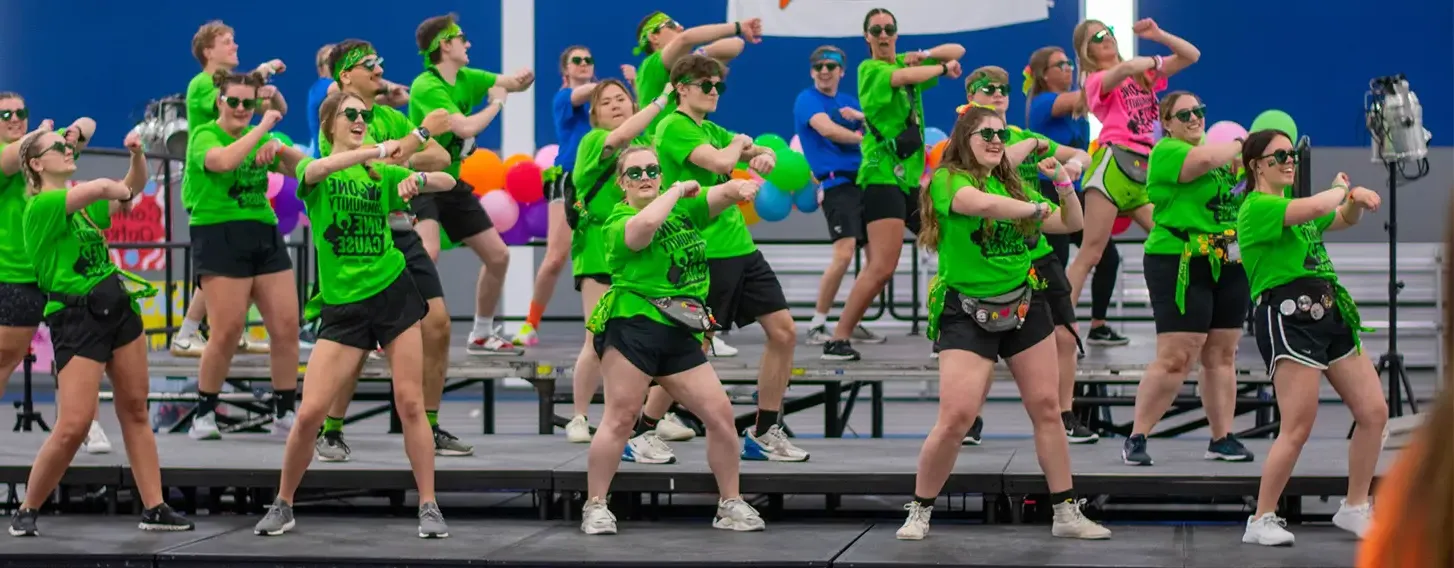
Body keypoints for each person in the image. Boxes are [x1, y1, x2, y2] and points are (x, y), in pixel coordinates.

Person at [897, 106, 1107, 541]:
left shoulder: (1015, 185)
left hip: (1024, 305)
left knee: (1048, 408)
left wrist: (1064, 184)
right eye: (985, 134)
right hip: (967, 309)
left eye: (1000, 134)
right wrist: (1030, 206)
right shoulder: (948, 179)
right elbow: (979, 204)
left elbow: (1073, 222)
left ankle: (1066, 512)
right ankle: (920, 509)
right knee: (956, 416)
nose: (995, 140)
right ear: (964, 141)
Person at [253, 91, 455, 538]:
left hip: (393, 292)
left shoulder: (377, 174)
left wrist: (415, 182)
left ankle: (429, 505)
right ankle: (283, 503)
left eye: (366, 114)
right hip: (344, 305)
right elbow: (318, 169)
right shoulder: (315, 170)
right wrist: (383, 150)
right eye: (352, 114)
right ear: (329, 127)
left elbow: (449, 182)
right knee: (309, 415)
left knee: (410, 403)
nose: (362, 119)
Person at [9, 128, 193, 536]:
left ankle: (155, 507)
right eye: (58, 146)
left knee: (135, 410)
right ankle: (28, 508)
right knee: (74, 425)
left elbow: (129, 187)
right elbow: (103, 188)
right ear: (37, 164)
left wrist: (137, 156)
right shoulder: (40, 206)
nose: (68, 148)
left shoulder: (84, 205)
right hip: (77, 319)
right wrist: (114, 186)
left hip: (118, 311)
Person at [578, 145, 764, 535]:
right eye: (635, 173)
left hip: (680, 330)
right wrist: (676, 190)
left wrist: (745, 181)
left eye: (652, 170)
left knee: (720, 415)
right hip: (634, 326)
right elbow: (641, 232)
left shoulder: (681, 211)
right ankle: (595, 505)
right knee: (621, 418)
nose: (645, 176)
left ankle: (730, 502)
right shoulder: (619, 219)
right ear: (622, 183)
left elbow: (718, 195)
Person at [309, 39, 469, 462]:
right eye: (369, 63)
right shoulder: (337, 115)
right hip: (357, 238)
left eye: (381, 61)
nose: (380, 68)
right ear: (345, 76)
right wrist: (407, 142)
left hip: (399, 231)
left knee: (439, 324)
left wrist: (401, 161)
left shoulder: (391, 116)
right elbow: (352, 161)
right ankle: (332, 428)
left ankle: (430, 426)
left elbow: (437, 158)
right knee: (357, 340)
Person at [655, 54, 808, 462]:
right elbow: (724, 160)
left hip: (741, 248)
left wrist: (763, 156)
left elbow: (759, 153)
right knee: (693, 346)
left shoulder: (709, 128)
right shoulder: (673, 127)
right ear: (681, 88)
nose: (713, 92)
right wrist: (741, 147)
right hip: (705, 252)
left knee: (784, 331)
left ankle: (763, 430)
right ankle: (642, 430)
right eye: (705, 85)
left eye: (717, 86)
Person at [1237, 130, 1385, 545]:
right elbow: (1323, 203)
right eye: (1279, 154)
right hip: (1289, 316)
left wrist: (1352, 201)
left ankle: (1355, 506)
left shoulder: (1293, 210)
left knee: (1373, 412)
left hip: (1329, 309)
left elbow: (1338, 217)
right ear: (1256, 165)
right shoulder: (1257, 207)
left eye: (1291, 154)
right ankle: (1261, 518)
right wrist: (1342, 188)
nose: (1289, 160)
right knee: (1298, 423)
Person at [954, 66, 1097, 446]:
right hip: (995, 253)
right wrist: (1033, 145)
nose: (998, 93)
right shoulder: (972, 140)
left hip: (1039, 249)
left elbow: (1082, 151)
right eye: (988, 88)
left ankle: (1066, 414)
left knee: (1066, 335)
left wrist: (1073, 167)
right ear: (971, 96)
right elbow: (992, 172)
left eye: (1003, 88)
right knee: (982, 345)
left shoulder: (1025, 136)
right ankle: (970, 420)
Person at [821, 7, 964, 362]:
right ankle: (837, 338)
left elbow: (957, 50)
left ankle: (949, 330)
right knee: (882, 266)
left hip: (911, 180)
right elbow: (903, 79)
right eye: (876, 30)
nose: (884, 35)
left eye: (889, 29)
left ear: (896, 33)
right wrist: (941, 69)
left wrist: (929, 56)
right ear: (867, 37)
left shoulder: (907, 62)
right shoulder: (871, 70)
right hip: (882, 177)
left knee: (952, 243)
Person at [1122, 92, 1254, 466]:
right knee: (1178, 354)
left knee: (1223, 352)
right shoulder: (1168, 151)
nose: (1195, 118)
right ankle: (1137, 435)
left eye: (1199, 111)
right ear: (1168, 123)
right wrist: (1243, 144)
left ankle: (1222, 436)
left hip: (1228, 256)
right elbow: (1207, 158)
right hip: (1177, 257)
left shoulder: (1222, 159)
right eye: (1185, 114)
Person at [561, 80, 694, 449]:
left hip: (645, 251)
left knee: (653, 334)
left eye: (621, 99)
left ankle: (652, 417)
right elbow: (618, 137)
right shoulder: (593, 142)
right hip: (600, 250)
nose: (616, 105)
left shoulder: (647, 146)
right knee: (597, 335)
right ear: (595, 113)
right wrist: (663, 98)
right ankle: (580, 416)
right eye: (606, 102)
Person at [183, 70, 309, 441]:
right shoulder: (204, 134)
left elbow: (299, 168)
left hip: (263, 232)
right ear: (220, 102)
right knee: (227, 329)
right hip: (219, 232)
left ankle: (284, 411)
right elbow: (223, 162)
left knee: (286, 326)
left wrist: (281, 150)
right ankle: (203, 413)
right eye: (233, 101)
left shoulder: (262, 137)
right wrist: (262, 128)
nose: (240, 108)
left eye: (248, 103)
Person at [631, 10, 760, 356]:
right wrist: (737, 26)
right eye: (670, 26)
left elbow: (733, 50)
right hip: (666, 162)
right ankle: (695, 334)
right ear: (654, 39)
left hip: (689, 149)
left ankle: (701, 333)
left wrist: (713, 52)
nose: (680, 29)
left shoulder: (696, 95)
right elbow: (697, 39)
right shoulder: (654, 68)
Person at [409, 13, 535, 356]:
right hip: (421, 182)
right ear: (445, 45)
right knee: (427, 253)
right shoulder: (427, 85)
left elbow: (511, 82)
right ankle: (397, 330)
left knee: (498, 255)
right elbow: (464, 128)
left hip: (451, 182)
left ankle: (481, 333)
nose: (468, 44)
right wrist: (497, 101)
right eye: (461, 38)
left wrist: (522, 79)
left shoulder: (467, 77)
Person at [1063, 18, 1199, 327]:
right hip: (1113, 164)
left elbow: (1192, 55)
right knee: (1091, 252)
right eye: (1097, 36)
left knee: (1175, 239)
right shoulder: (1096, 80)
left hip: (1142, 169)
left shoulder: (1143, 74)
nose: (1105, 37)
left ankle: (1185, 316)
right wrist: (1152, 60)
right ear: (1088, 50)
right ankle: (1061, 325)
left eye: (1108, 31)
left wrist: (1159, 35)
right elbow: (1122, 71)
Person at [0, 94, 113, 454]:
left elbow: (89, 123)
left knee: (78, 355)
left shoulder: (48, 148)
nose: (15, 118)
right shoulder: (18, 152)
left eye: (21, 112)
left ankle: (87, 424)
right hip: (16, 274)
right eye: (6, 114)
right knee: (5, 359)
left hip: (61, 270)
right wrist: (38, 135)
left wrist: (72, 132)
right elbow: (13, 157)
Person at [171, 20, 288, 359]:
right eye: (226, 41)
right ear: (208, 51)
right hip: (210, 188)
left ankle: (229, 332)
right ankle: (187, 334)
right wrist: (261, 73)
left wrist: (269, 94)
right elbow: (230, 102)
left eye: (234, 40)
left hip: (240, 189)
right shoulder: (200, 84)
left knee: (244, 266)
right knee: (219, 269)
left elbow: (277, 111)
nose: (234, 46)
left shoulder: (239, 89)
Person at [1025, 45, 1129, 347]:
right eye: (1061, 65)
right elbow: (1090, 96)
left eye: (1070, 64)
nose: (1069, 69)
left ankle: (1098, 325)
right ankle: (1051, 332)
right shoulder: (1043, 103)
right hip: (1048, 191)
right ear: (1044, 75)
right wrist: (1115, 69)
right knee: (1054, 265)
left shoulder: (1077, 112)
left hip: (1074, 192)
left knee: (1108, 258)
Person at [792, 46, 887, 346]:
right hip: (837, 186)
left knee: (880, 262)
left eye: (831, 66)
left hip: (867, 184)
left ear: (841, 72)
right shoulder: (807, 100)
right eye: (818, 66)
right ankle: (817, 325)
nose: (824, 71)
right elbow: (829, 130)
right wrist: (864, 137)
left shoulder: (849, 102)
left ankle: (851, 321)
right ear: (811, 71)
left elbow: (883, 129)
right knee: (844, 253)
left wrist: (862, 117)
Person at [513, 46, 598, 348]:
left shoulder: (603, 104)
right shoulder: (565, 98)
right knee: (555, 258)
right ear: (566, 72)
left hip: (601, 182)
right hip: (568, 181)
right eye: (577, 60)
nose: (584, 64)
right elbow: (580, 95)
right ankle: (530, 325)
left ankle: (605, 330)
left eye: (588, 60)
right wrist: (611, 88)